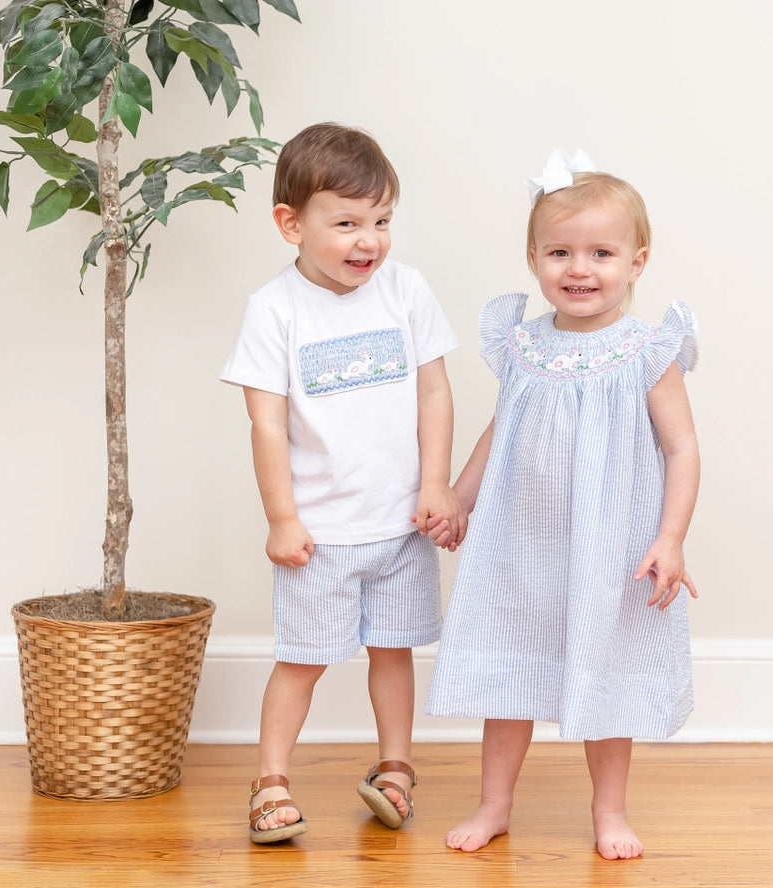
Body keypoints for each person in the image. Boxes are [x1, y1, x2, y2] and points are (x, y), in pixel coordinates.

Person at [424, 149, 701, 860]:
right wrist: (460, 497)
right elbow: (502, 430)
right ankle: (495, 804)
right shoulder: (522, 344)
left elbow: (682, 450)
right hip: (523, 542)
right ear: (534, 259)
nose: (580, 269)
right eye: (560, 253)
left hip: (611, 544)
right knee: (510, 676)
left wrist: (670, 537)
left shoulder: (646, 350)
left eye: (601, 253)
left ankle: (609, 810)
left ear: (637, 262)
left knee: (605, 675)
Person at [220, 122, 462, 844]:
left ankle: (396, 769)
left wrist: (437, 485)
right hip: (320, 535)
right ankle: (270, 781)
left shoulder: (405, 290)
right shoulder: (275, 310)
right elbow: (266, 423)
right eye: (348, 223)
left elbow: (434, 393)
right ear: (291, 224)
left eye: (382, 221)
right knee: (301, 662)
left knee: (394, 652)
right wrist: (281, 518)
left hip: (400, 525)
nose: (370, 241)